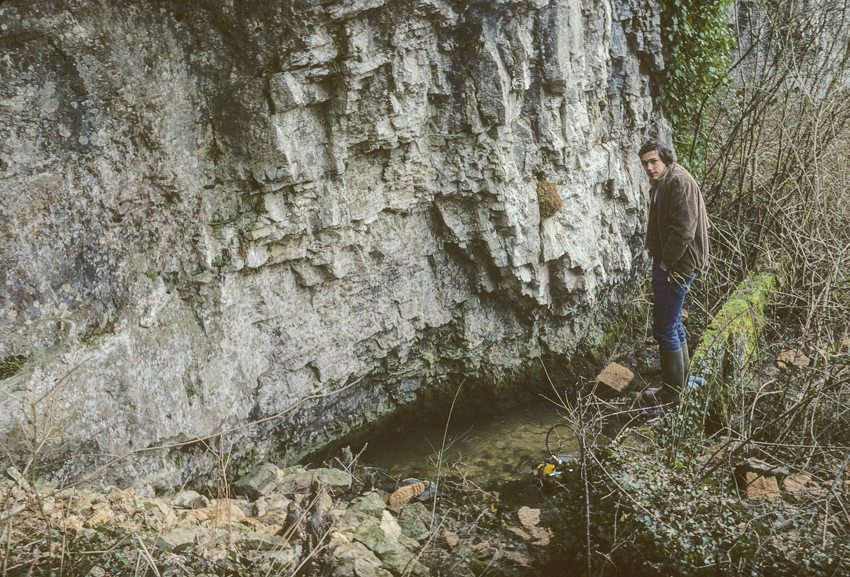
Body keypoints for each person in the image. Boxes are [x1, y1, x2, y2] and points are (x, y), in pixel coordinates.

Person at [639, 139, 709, 411]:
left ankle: (672, 394)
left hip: (677, 265)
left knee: (665, 327)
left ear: (666, 160)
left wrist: (666, 263)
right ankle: (683, 383)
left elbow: (684, 230)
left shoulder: (678, 181)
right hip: (670, 262)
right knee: (673, 322)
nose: (649, 167)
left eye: (653, 161)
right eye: (645, 163)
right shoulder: (665, 181)